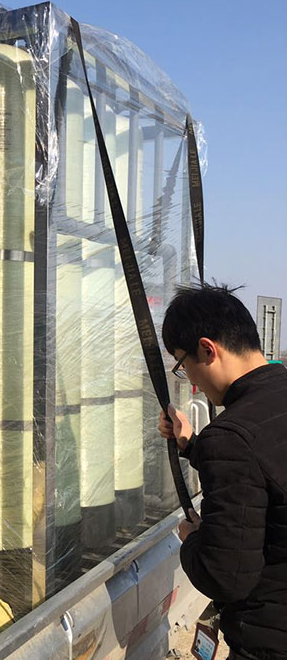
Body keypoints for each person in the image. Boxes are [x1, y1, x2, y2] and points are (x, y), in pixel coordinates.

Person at [158, 283, 287, 660]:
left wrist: (194, 540)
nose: (191, 381)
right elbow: (268, 467)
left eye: (182, 364)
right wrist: (192, 445)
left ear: (207, 349)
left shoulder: (231, 438)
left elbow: (226, 577)